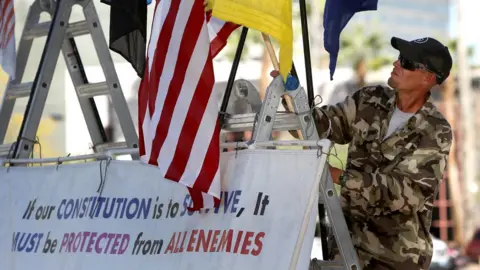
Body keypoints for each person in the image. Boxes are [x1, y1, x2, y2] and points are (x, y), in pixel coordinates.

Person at [273, 36, 453, 269]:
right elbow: (317, 129)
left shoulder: (435, 130)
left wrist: (336, 175)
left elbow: (404, 194)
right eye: (399, 57)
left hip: (395, 259)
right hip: (346, 249)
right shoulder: (370, 100)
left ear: (428, 78)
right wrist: (292, 96)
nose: (396, 63)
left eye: (407, 62)